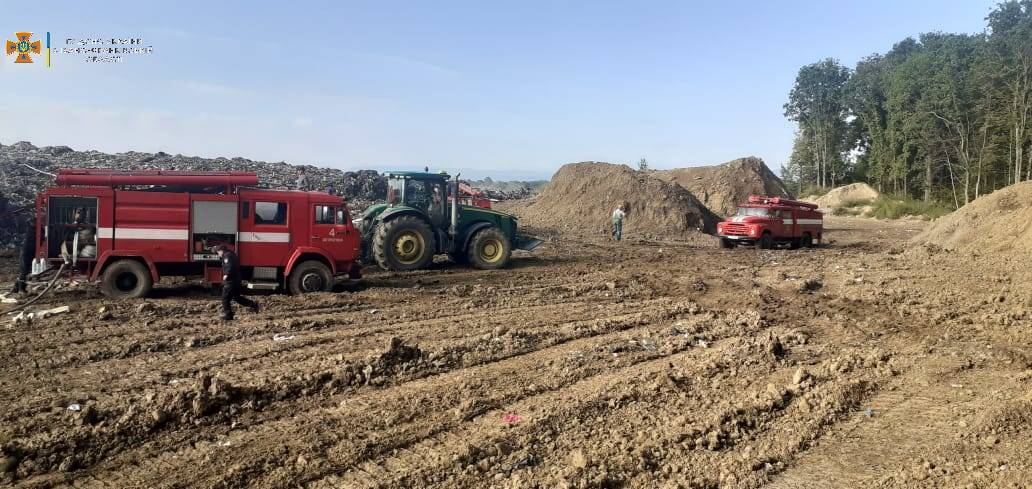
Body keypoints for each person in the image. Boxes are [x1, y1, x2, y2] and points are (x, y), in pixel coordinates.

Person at [215, 244, 259, 320]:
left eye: (217, 252)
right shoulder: (230, 254)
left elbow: (230, 266)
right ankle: (253, 305)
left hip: (231, 280)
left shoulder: (227, 256)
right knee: (237, 297)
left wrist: (227, 275)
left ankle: (228, 315)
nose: (217, 254)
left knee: (225, 298)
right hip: (236, 279)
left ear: (221, 250)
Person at [11, 216, 36, 295]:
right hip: (26, 253)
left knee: (24, 271)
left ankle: (16, 287)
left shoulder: (32, 230)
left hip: (28, 252)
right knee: (25, 271)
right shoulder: (32, 231)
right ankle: (21, 289)